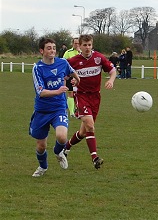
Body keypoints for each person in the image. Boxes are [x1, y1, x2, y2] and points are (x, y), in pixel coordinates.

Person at [64, 34, 117, 169]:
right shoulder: (73, 61)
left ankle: (65, 147)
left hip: (95, 97)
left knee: (83, 132)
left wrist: (111, 80)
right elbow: (64, 77)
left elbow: (112, 70)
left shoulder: (98, 58)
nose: (87, 48)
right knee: (90, 125)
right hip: (81, 96)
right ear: (79, 46)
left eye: (89, 45)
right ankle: (95, 158)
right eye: (84, 45)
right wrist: (71, 83)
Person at [29, 38, 80, 177]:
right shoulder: (37, 68)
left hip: (59, 108)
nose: (52, 50)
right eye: (49, 48)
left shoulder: (62, 62)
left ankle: (58, 151)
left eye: (53, 47)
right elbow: (41, 92)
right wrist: (57, 91)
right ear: (42, 51)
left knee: (62, 137)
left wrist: (75, 80)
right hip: (42, 110)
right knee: (41, 146)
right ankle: (43, 167)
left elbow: (74, 75)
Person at [63, 38, 81, 117]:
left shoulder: (82, 52)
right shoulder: (68, 52)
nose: (77, 45)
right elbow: (63, 64)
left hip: (81, 76)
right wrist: (65, 75)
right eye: (75, 43)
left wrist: (80, 51)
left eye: (78, 43)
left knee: (79, 93)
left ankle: (79, 109)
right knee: (71, 93)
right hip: (71, 75)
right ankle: (71, 112)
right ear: (72, 44)